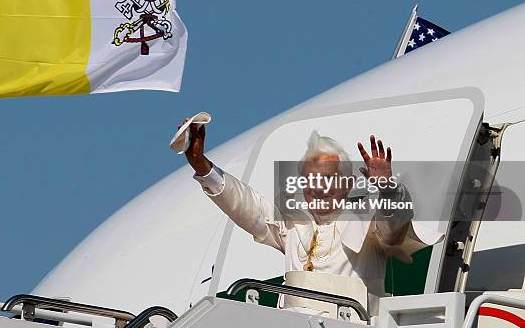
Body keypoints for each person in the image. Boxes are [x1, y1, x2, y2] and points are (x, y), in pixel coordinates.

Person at [178, 118, 443, 319]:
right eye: (311, 180)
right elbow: (244, 204)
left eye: (328, 179)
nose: (319, 188)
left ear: (348, 183)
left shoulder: (368, 225)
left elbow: (394, 226)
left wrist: (387, 188)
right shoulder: (293, 226)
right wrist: (202, 165)